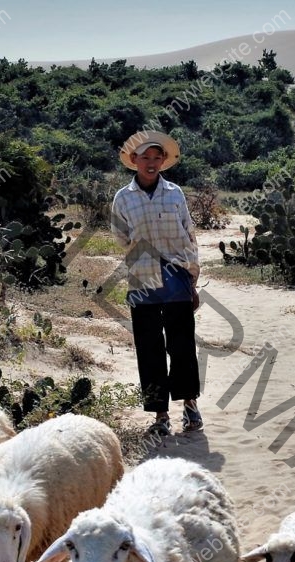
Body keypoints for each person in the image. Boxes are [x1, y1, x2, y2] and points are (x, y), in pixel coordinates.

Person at [111, 130, 203, 436]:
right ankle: (160, 416)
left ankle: (190, 409)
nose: (150, 163)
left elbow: (189, 233)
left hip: (176, 277)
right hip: (142, 279)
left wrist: (192, 276)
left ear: (164, 161)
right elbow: (121, 237)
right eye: (144, 157)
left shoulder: (175, 193)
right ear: (133, 160)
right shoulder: (123, 198)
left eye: (156, 157)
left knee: (182, 346)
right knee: (149, 349)